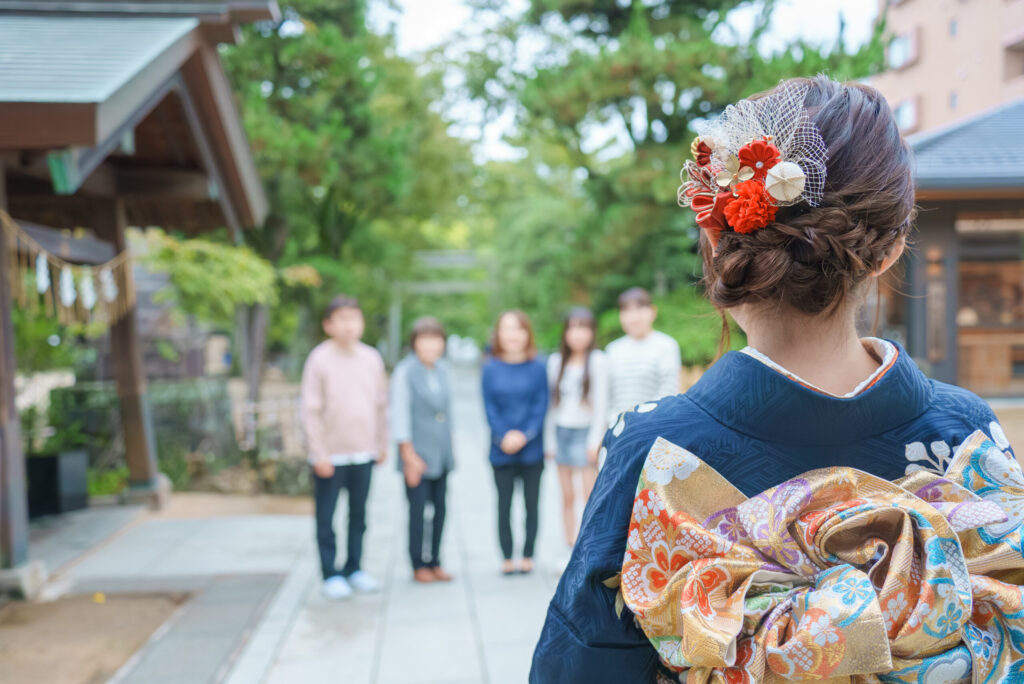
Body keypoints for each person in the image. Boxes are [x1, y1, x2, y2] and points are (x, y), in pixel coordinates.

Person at [530, 76, 1018, 681]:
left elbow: (580, 665)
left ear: (715, 236)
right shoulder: (968, 432)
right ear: (890, 250)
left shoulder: (656, 451)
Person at [301, 295, 388, 600]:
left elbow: (381, 405)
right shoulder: (319, 359)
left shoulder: (372, 358)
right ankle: (330, 573)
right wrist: (319, 452)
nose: (349, 325)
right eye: (342, 319)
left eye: (354, 318)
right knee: (326, 516)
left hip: (363, 451)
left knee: (359, 515)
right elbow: (311, 409)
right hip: (330, 455)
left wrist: (381, 443)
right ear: (328, 325)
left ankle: (354, 568)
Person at [482, 310, 549, 575]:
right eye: (506, 329)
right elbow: (490, 408)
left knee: (532, 504)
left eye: (518, 328)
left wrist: (524, 435)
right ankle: (507, 556)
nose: (513, 335)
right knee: (504, 505)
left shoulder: (538, 368)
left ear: (527, 333)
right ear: (498, 334)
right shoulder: (490, 369)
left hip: (532, 449)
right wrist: (504, 435)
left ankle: (528, 554)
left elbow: (540, 406)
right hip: (501, 450)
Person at [390, 316, 455, 584]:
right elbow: (400, 415)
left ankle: (435, 561)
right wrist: (408, 456)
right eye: (424, 339)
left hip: (441, 454)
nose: (430, 345)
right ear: (414, 343)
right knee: (418, 511)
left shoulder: (444, 370)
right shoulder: (405, 372)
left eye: (435, 339)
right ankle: (418, 563)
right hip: (416, 455)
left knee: (440, 509)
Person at [543, 308, 608, 547]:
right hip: (562, 431)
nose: (578, 334)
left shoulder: (598, 360)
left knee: (588, 494)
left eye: (584, 328)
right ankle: (569, 544)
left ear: (592, 332)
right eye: (573, 328)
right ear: (565, 333)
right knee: (567, 496)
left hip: (585, 433)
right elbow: (551, 406)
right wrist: (549, 442)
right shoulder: (556, 361)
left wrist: (595, 439)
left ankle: (586, 544)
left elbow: (601, 404)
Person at [605, 287, 681, 424]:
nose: (633, 317)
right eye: (627, 310)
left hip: (653, 424)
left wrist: (641, 422)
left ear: (653, 312)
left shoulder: (666, 346)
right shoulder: (612, 349)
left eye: (639, 309)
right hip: (616, 426)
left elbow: (668, 391)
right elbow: (606, 396)